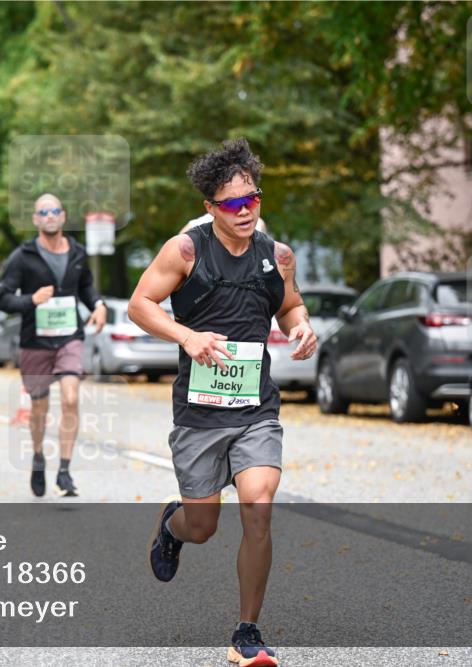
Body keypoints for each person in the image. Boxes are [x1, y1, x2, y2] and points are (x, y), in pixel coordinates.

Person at [128, 139, 316, 667]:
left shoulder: (276, 256)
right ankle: (173, 526)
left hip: (256, 407)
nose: (245, 211)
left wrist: (301, 329)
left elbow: (291, 306)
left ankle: (247, 632)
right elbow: (140, 305)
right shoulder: (185, 250)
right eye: (232, 204)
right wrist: (186, 337)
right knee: (203, 525)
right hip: (200, 412)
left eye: (252, 199)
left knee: (259, 506)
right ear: (210, 207)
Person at [0, 194, 107, 497]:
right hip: (35, 341)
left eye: (55, 211)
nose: (49, 216)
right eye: (43, 212)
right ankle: (37, 457)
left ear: (63, 215)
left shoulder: (78, 252)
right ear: (35, 219)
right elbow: (3, 298)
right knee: (39, 408)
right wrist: (31, 299)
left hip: (70, 336)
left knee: (71, 397)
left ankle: (66, 471)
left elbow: (86, 287)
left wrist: (97, 304)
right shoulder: (22, 256)